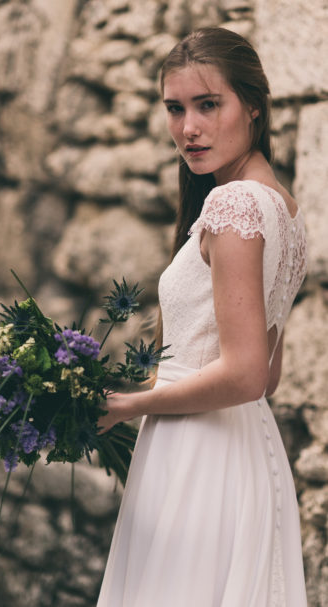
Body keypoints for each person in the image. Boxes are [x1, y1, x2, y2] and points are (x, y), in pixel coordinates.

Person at [96, 27, 308, 606]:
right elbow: (265, 375)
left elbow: (244, 375)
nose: (188, 128)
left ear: (255, 107)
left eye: (208, 105)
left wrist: (129, 405)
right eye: (175, 108)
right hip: (242, 447)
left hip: (202, 458)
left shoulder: (234, 204)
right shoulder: (281, 207)